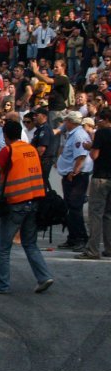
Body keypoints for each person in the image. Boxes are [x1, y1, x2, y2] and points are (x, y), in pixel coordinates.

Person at [0, 120, 53, 293]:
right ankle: (44, 276)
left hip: (15, 203)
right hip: (34, 201)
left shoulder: (8, 151)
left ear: (5, 136)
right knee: (30, 243)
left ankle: (2, 285)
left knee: (2, 248)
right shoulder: (31, 149)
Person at [56, 111, 93, 252]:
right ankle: (72, 238)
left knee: (75, 208)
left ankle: (81, 238)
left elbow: (81, 156)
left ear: (71, 122)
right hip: (72, 175)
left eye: (66, 121)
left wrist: (74, 172)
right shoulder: (74, 134)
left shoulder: (78, 135)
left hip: (77, 176)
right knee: (70, 208)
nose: (65, 123)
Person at [81, 108, 111, 259]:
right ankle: (109, 247)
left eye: (99, 120)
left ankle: (93, 250)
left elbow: (95, 155)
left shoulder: (101, 133)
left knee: (96, 214)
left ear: (104, 119)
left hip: (101, 176)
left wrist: (89, 147)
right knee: (108, 215)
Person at [30, 106, 57, 189]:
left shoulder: (45, 129)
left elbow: (41, 149)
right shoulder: (40, 129)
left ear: (44, 116)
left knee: (40, 185)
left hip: (43, 161)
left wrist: (31, 159)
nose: (34, 117)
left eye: (37, 115)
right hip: (41, 161)